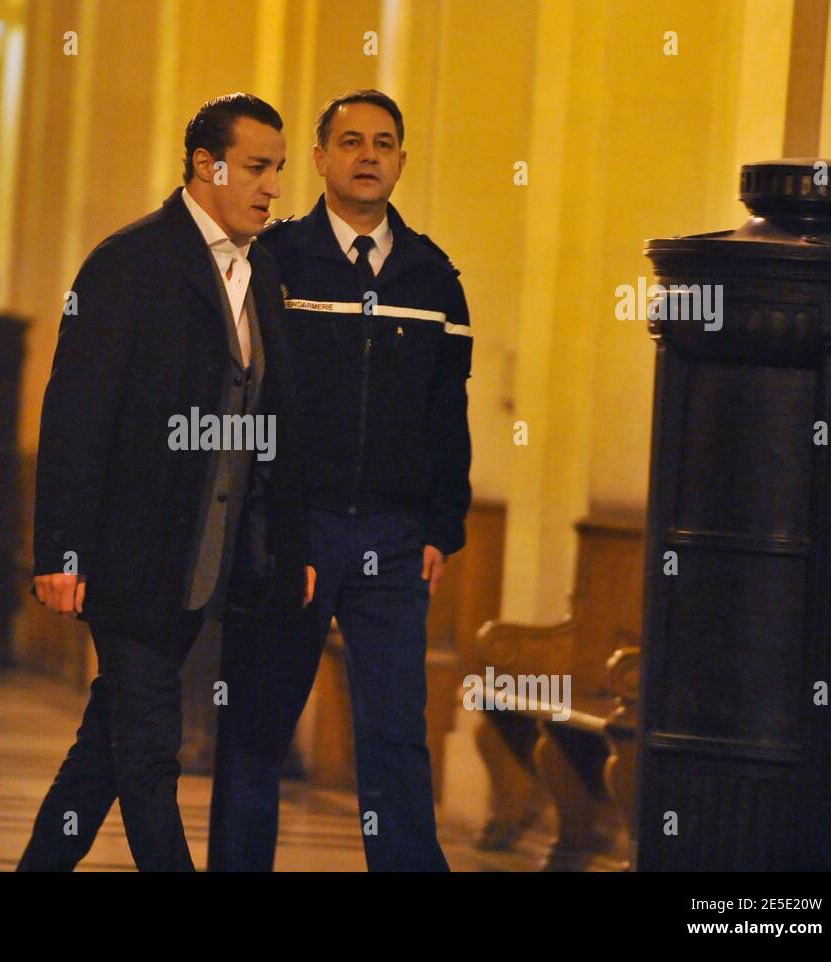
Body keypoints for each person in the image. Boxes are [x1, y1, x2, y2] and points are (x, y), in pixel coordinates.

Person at [19, 93, 313, 872]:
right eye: (256, 167)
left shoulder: (264, 271)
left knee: (105, 750)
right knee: (152, 747)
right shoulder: (130, 263)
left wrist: (288, 546)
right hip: (131, 556)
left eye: (277, 169)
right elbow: (76, 416)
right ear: (204, 166)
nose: (272, 187)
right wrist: (60, 550)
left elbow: (274, 424)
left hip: (206, 564)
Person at [208, 89, 474, 872]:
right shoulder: (275, 263)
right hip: (291, 528)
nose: (368, 155)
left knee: (395, 733)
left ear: (401, 160)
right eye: (350, 141)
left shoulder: (434, 279)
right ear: (319, 159)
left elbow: (446, 415)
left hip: (393, 543)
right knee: (258, 727)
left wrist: (441, 528)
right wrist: (258, 522)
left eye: (383, 143)